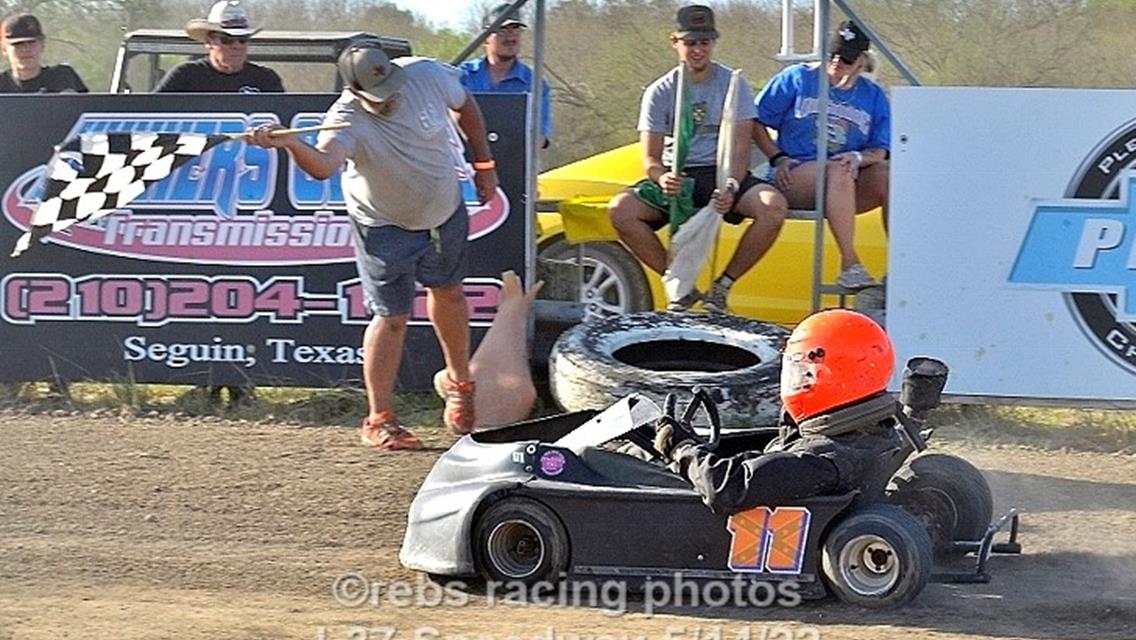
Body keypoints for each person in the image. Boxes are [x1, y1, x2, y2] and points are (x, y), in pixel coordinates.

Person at [246, 41, 498, 450]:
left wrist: (484, 165)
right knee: (392, 316)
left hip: (444, 210)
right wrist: (290, 144)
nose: (391, 96)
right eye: (379, 95)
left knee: (450, 294)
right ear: (356, 91)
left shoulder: (427, 74)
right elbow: (323, 166)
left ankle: (460, 385)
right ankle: (380, 418)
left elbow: (465, 104)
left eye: (393, 85)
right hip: (383, 226)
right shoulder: (344, 118)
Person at [607, 4, 787, 313]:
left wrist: (731, 186)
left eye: (704, 42)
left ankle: (722, 286)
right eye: (690, 43)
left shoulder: (733, 84)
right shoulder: (660, 91)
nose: (698, 50)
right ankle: (679, 283)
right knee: (620, 210)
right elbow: (649, 158)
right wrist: (662, 177)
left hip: (721, 173)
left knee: (773, 207)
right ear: (674, 42)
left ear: (713, 44)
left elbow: (740, 148)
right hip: (679, 174)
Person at [653, 308, 901, 512]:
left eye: (803, 371)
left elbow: (726, 488)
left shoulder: (820, 460)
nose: (797, 379)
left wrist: (681, 449)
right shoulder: (870, 435)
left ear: (835, 377)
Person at [752, 20, 890, 290]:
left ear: (862, 61)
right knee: (837, 168)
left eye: (847, 58)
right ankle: (850, 263)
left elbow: (881, 149)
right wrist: (775, 156)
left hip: (847, 178)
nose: (837, 62)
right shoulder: (798, 77)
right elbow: (754, 120)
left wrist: (860, 159)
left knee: (887, 175)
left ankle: (899, 267)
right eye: (833, 54)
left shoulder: (873, 95)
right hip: (797, 174)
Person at [459, 3, 552, 147]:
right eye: (502, 30)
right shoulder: (460, 76)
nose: (510, 37)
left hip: (514, 165)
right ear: (485, 37)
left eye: (515, 30)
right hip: (466, 167)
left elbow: (540, 137)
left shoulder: (536, 84)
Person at [155, 0, 284, 93]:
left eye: (243, 39)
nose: (236, 46)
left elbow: (284, 121)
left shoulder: (266, 79)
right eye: (227, 40)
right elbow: (152, 117)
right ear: (209, 42)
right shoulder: (185, 75)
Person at [0, 14, 87, 93]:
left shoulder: (62, 77)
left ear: (42, 45)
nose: (26, 49)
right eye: (18, 44)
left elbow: (84, 107)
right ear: (4, 49)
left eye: (31, 43)